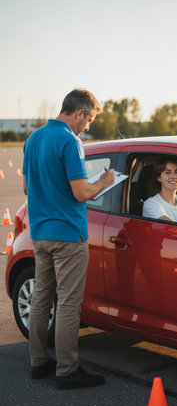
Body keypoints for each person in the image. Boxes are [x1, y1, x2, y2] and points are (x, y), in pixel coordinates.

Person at [23, 88, 114, 389]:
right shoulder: (69, 141)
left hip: (40, 234)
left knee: (41, 298)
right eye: (89, 120)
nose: (88, 127)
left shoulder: (33, 138)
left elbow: (27, 189)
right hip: (68, 236)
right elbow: (81, 192)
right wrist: (104, 180)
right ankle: (67, 370)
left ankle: (38, 362)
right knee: (68, 303)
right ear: (79, 114)